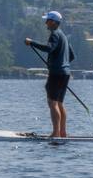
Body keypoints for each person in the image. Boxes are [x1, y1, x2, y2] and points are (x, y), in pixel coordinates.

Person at [25, 10, 74, 139]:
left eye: (47, 20)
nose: (45, 22)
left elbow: (48, 48)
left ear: (53, 22)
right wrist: (60, 62)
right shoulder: (64, 36)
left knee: (52, 103)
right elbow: (72, 56)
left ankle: (55, 133)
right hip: (65, 73)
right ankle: (63, 133)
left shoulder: (55, 35)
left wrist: (32, 43)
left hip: (56, 74)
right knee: (59, 103)